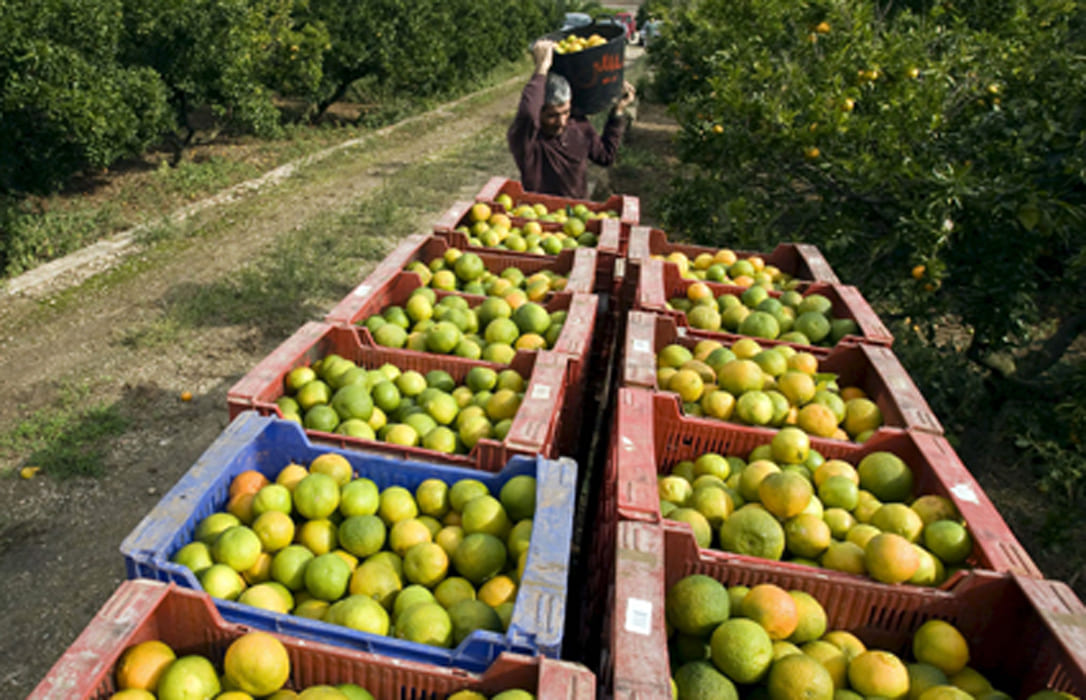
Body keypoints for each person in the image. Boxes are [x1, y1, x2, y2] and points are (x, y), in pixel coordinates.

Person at [507, 38, 636, 199]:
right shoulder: (528, 140)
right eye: (552, 116)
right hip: (539, 217)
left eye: (566, 112)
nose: (561, 122)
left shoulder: (579, 126)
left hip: (578, 213)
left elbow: (606, 157)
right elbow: (527, 114)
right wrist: (541, 69)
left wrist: (618, 112)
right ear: (539, 113)